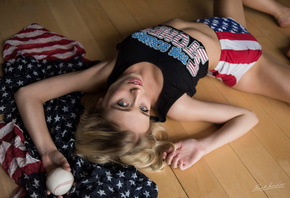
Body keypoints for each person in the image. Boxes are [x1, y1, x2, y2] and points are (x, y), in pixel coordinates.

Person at [14, 0, 289, 194]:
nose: (137, 92)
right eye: (144, 109)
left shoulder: (108, 71)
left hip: (215, 24)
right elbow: (247, 117)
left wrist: (49, 153)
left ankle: (280, 10)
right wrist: (203, 146)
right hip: (239, 56)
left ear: (100, 102)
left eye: (122, 104)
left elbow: (28, 94)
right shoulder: (175, 102)